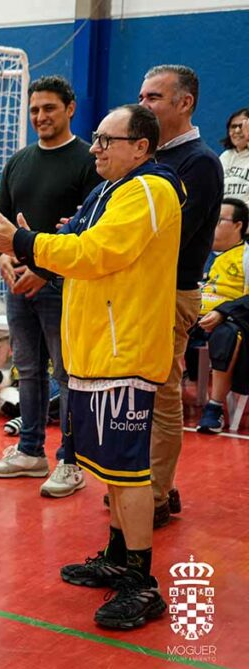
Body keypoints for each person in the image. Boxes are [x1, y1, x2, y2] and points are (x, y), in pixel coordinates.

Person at [0, 104, 182, 630]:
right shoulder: (110, 190)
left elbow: (95, 252)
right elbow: (74, 240)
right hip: (94, 349)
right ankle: (116, 554)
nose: (95, 149)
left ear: (141, 145)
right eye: (97, 141)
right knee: (109, 470)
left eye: (107, 141)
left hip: (123, 352)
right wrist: (42, 243)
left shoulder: (148, 190)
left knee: (128, 473)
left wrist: (23, 242)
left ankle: (141, 580)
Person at [0, 75, 100, 498]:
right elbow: (3, 221)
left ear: (70, 108)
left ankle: (71, 461)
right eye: (34, 109)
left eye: (49, 108)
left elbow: (89, 230)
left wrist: (47, 272)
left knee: (67, 375)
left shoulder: (89, 160)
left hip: (61, 287)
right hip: (19, 286)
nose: (40, 117)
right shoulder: (18, 161)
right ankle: (31, 451)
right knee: (28, 371)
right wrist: (4, 259)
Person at [138, 64, 224, 527]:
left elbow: (165, 238)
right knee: (143, 395)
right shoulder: (152, 159)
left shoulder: (199, 164)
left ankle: (156, 493)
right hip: (142, 293)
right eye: (142, 96)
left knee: (162, 395)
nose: (143, 105)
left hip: (171, 293)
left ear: (183, 103)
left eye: (153, 97)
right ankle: (151, 485)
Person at [195, 197, 249, 432]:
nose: (212, 224)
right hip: (191, 314)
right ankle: (166, 400)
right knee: (164, 323)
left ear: (238, 225)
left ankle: (214, 408)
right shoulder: (197, 250)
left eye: (219, 220)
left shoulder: (246, 256)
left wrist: (222, 312)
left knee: (227, 333)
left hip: (231, 319)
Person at [220, 107, 249, 204]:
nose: (237, 130)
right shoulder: (225, 157)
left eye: (242, 126)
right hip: (225, 216)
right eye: (233, 126)